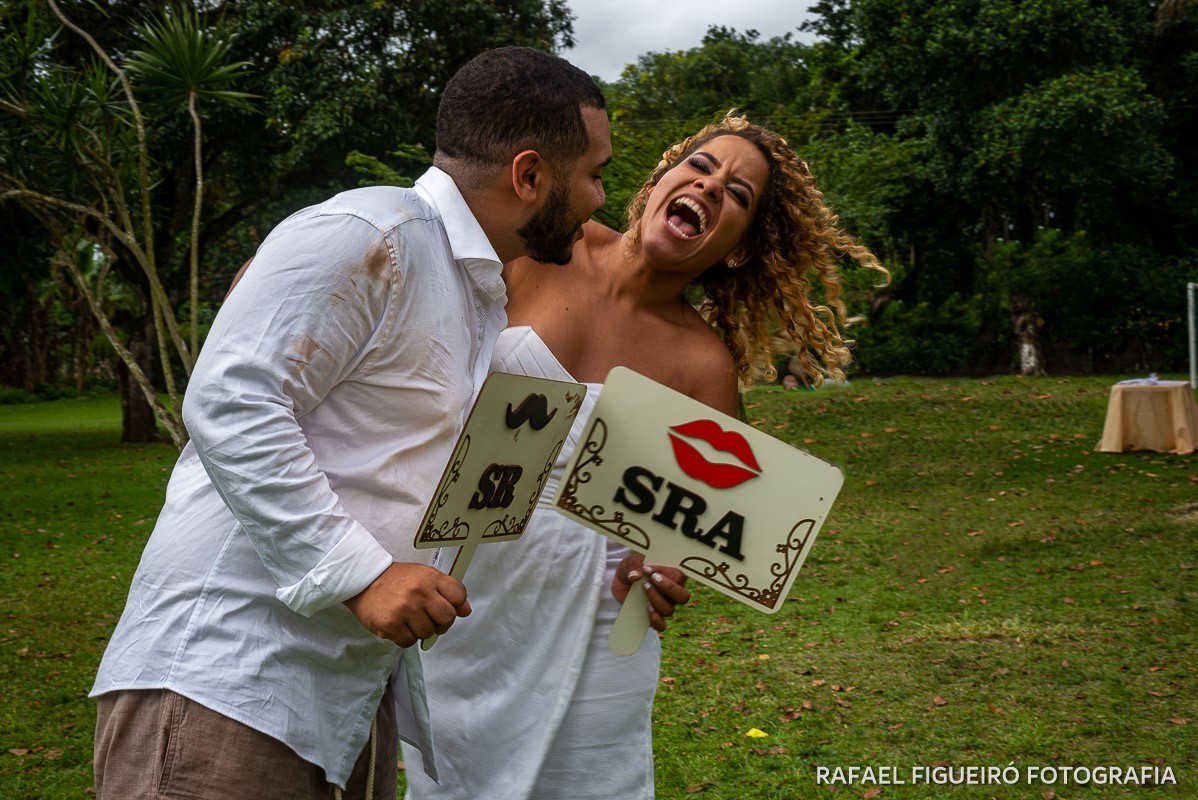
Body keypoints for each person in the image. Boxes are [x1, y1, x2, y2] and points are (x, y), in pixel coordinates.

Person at [90, 46, 612, 800]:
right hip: (229, 681)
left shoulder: (470, 291)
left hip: (341, 705)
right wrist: (365, 575)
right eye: (594, 173)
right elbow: (232, 399)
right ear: (530, 176)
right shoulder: (372, 234)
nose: (600, 197)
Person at [404, 112, 888, 799]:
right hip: (461, 588)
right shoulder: (543, 244)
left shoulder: (702, 366)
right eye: (701, 167)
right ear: (660, 180)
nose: (711, 186)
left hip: (596, 626)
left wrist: (665, 570)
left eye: (739, 195)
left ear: (740, 249)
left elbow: (702, 525)